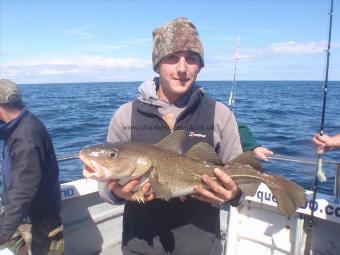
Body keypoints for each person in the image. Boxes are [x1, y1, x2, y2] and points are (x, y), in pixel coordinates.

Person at [98, 17, 244, 255]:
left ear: (200, 66)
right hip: (140, 245)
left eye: (192, 58)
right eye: (172, 58)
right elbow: (104, 184)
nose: (182, 69)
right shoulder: (125, 116)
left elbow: (239, 183)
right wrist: (114, 192)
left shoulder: (220, 114)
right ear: (157, 65)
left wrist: (235, 194)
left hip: (201, 247)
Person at [0, 79, 64, 255]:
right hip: (28, 213)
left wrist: (3, 232)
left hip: (39, 218)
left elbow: (24, 189)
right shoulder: (20, 124)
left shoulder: (25, 137)